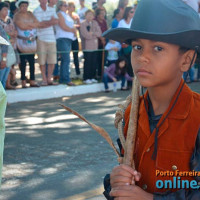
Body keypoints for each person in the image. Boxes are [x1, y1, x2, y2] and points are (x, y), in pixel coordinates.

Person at [102, 0, 200, 199]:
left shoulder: (197, 117)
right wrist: (115, 182)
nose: (143, 57)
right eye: (138, 47)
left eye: (158, 49)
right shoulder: (131, 115)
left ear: (186, 60)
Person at [14, 0, 40, 88]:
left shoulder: (30, 14)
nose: (24, 8)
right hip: (22, 42)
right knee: (23, 63)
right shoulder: (17, 16)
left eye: (25, 6)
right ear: (19, 7)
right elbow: (21, 26)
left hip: (32, 42)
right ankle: (23, 81)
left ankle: (32, 80)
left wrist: (27, 24)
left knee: (32, 62)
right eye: (22, 6)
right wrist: (30, 24)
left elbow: (37, 23)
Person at [33, 0, 58, 86]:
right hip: (41, 39)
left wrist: (45, 23)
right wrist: (50, 22)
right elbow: (38, 24)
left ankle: (49, 78)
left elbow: (56, 21)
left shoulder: (52, 9)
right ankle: (44, 79)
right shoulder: (36, 11)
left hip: (52, 38)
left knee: (52, 60)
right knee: (42, 61)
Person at [55, 0, 76, 86]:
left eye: (66, 5)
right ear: (60, 6)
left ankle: (63, 78)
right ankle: (66, 79)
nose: (66, 7)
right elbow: (62, 26)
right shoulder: (59, 14)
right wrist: (72, 30)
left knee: (65, 59)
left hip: (68, 39)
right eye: (64, 5)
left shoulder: (66, 15)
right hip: (62, 38)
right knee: (66, 59)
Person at [80, 9, 101, 84]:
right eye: (88, 14)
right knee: (87, 62)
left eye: (91, 14)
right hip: (87, 47)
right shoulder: (83, 24)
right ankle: (86, 78)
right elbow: (86, 35)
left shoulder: (95, 23)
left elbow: (99, 33)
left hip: (95, 47)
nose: (90, 16)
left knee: (94, 62)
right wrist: (93, 34)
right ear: (85, 15)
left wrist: (92, 33)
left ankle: (92, 77)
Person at [0, 2, 17, 90]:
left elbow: (4, 41)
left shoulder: (9, 20)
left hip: (5, 54)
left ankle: (2, 101)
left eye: (7, 9)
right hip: (3, 56)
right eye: (4, 9)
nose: (7, 11)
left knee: (2, 80)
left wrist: (4, 58)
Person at [68, 1, 81, 76]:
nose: (74, 8)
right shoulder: (65, 15)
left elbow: (79, 25)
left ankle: (77, 71)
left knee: (76, 55)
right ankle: (68, 71)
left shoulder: (76, 16)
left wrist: (77, 24)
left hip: (75, 37)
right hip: (68, 38)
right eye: (72, 6)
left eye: (74, 6)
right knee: (67, 56)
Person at [95, 8, 108, 78]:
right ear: (98, 14)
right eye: (101, 13)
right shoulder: (95, 21)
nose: (103, 15)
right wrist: (101, 38)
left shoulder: (104, 21)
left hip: (103, 43)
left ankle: (101, 74)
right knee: (96, 59)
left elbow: (106, 30)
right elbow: (95, 31)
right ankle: (96, 74)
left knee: (102, 59)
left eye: (104, 13)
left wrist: (104, 38)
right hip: (96, 43)